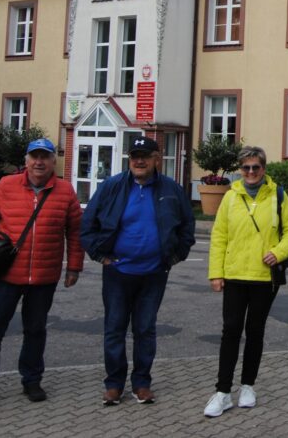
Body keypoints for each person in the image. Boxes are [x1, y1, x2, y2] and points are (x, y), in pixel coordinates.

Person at [0, 138, 83, 411]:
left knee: (35, 331)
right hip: (6, 275)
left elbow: (75, 233)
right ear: (26, 161)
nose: (39, 162)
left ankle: (31, 380)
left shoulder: (65, 191)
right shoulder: (7, 185)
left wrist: (74, 266)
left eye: (45, 157)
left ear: (54, 161)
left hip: (44, 277)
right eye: (34, 157)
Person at [81, 136, 195, 406]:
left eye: (145, 156)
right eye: (134, 156)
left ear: (157, 159)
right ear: (129, 160)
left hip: (154, 273)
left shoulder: (171, 189)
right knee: (114, 329)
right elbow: (88, 225)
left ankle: (142, 383)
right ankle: (114, 385)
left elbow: (186, 228)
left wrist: (175, 256)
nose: (139, 161)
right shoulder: (112, 187)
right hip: (118, 273)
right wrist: (99, 255)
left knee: (145, 329)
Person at [205, 146, 288, 418]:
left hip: (263, 278)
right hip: (234, 275)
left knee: (255, 331)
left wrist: (278, 253)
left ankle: (248, 386)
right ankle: (223, 392)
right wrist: (216, 273)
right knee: (231, 330)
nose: (250, 172)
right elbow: (219, 236)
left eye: (255, 167)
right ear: (240, 170)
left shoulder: (278, 196)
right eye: (245, 168)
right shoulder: (231, 197)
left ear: (263, 169)